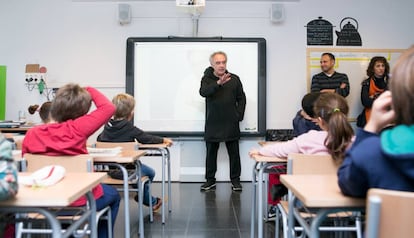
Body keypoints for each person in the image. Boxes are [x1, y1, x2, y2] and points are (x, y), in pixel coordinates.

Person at [22, 84, 120, 238]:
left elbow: (25, 169)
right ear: (82, 112)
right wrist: (89, 88)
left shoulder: (32, 134)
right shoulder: (78, 128)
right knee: (113, 195)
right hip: (79, 201)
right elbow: (108, 108)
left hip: (42, 200)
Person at [338, 46, 414, 198]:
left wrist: (370, 128)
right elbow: (365, 101)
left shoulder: (371, 152)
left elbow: (347, 181)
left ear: (396, 95)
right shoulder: (367, 83)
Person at [97, 93, 173, 211]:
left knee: (142, 175)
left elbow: (99, 140)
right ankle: (148, 199)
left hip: (110, 171)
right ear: (131, 113)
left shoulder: (107, 126)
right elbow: (146, 138)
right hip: (130, 171)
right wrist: (163, 140)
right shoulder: (128, 127)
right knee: (150, 173)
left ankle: (146, 197)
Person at [199, 51, 246, 191]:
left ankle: (235, 180)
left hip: (230, 122)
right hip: (213, 122)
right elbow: (203, 92)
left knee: (234, 154)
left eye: (223, 62)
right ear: (212, 64)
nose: (221, 65)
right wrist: (218, 83)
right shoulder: (207, 79)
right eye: (218, 63)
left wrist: (238, 115)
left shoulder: (234, 79)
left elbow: (241, 98)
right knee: (211, 154)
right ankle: (210, 180)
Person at [356, 56, 390, 128]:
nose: (381, 68)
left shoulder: (390, 82)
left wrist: (373, 96)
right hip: (370, 116)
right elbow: (365, 102)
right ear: (372, 68)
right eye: (378, 66)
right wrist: (382, 97)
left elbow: (391, 102)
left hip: (387, 116)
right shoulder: (367, 83)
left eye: (383, 66)